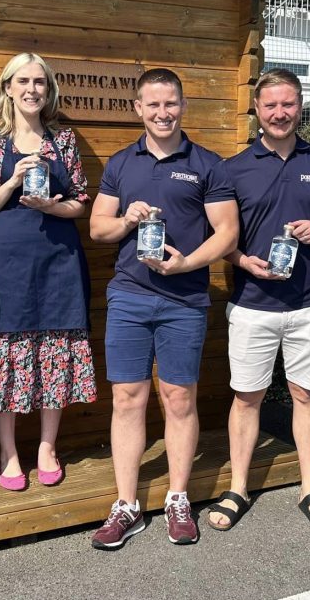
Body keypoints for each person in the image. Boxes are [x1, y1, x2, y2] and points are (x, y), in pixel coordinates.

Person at [88, 68, 238, 549]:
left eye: (170, 103)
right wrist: (126, 220)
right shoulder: (120, 163)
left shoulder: (208, 164)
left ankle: (178, 497)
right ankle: (127, 504)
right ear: (138, 108)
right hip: (129, 295)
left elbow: (227, 232)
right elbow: (97, 229)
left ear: (182, 105)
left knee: (179, 398)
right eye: (152, 104)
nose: (162, 112)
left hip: (185, 299)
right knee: (128, 398)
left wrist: (188, 263)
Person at [208, 69, 310, 533]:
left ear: (300, 104)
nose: (279, 113)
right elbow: (220, 235)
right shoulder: (232, 168)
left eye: (287, 104)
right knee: (246, 398)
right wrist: (242, 260)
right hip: (252, 303)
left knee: (305, 396)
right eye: (270, 105)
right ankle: (238, 487)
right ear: (256, 108)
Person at [0, 54, 96, 491]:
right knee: (7, 351)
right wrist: (12, 181)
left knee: (57, 348)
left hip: (58, 261)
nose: (31, 89)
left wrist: (51, 206)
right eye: (22, 81)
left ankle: (47, 446)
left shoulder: (63, 139)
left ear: (49, 89)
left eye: (39, 82)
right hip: (5, 264)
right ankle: (8, 452)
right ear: (7, 87)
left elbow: (81, 203)